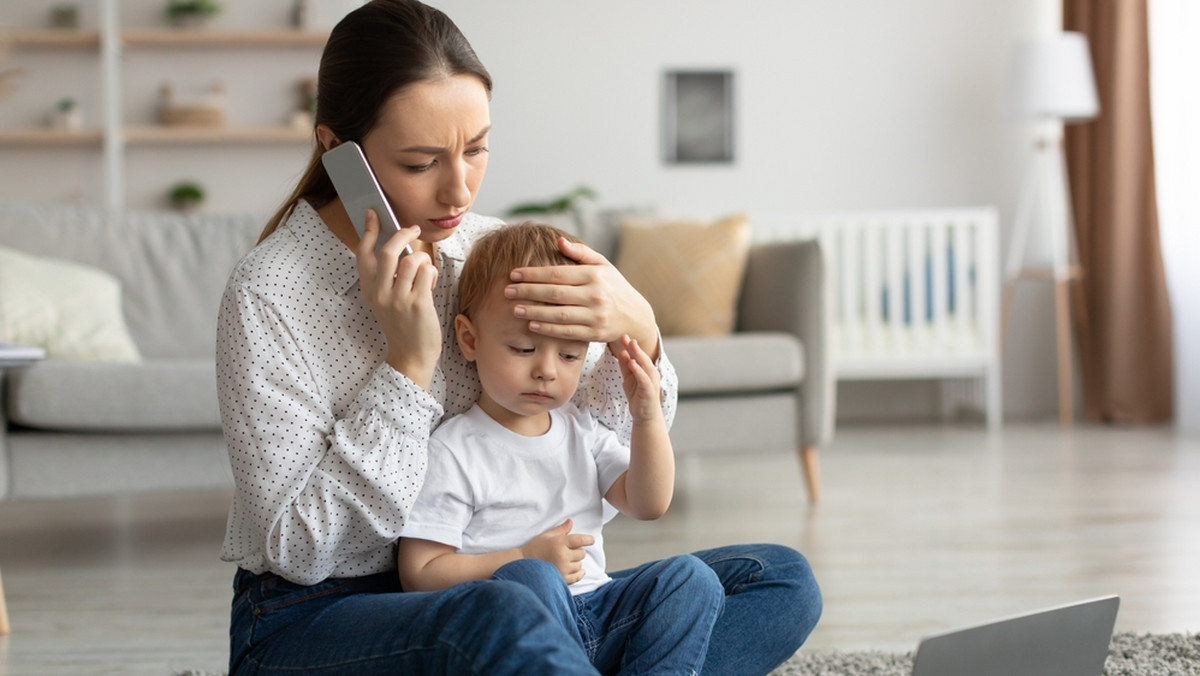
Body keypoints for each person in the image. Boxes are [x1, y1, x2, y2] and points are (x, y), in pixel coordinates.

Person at [215, 1, 821, 673]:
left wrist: (641, 332)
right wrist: (409, 367)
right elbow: (301, 551)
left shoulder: (493, 253)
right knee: (503, 610)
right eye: (421, 163)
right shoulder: (268, 293)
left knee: (778, 579)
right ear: (337, 152)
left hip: (522, 586)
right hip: (320, 615)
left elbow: (596, 446)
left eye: (475, 150)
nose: (459, 191)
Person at [398, 222, 724, 673]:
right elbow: (420, 573)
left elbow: (648, 504)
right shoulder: (454, 449)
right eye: (522, 348)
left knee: (691, 578)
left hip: (600, 607)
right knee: (531, 578)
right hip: (520, 625)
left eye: (569, 355)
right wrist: (521, 558)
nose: (547, 371)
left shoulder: (581, 430)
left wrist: (647, 420)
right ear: (469, 339)